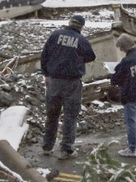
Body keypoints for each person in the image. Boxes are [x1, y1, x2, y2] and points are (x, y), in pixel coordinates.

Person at [40, 14, 95, 159]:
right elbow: (91, 56)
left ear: (69, 23)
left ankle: (47, 146)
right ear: (81, 27)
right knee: (70, 115)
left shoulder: (55, 35)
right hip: (72, 82)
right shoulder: (82, 40)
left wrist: (46, 74)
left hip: (54, 81)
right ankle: (66, 149)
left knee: (52, 115)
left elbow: (44, 55)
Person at [110, 34, 136, 157]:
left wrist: (114, 74)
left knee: (131, 121)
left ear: (124, 46)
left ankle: (132, 149)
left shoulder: (127, 61)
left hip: (131, 94)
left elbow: (116, 78)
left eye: (121, 47)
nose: (120, 50)